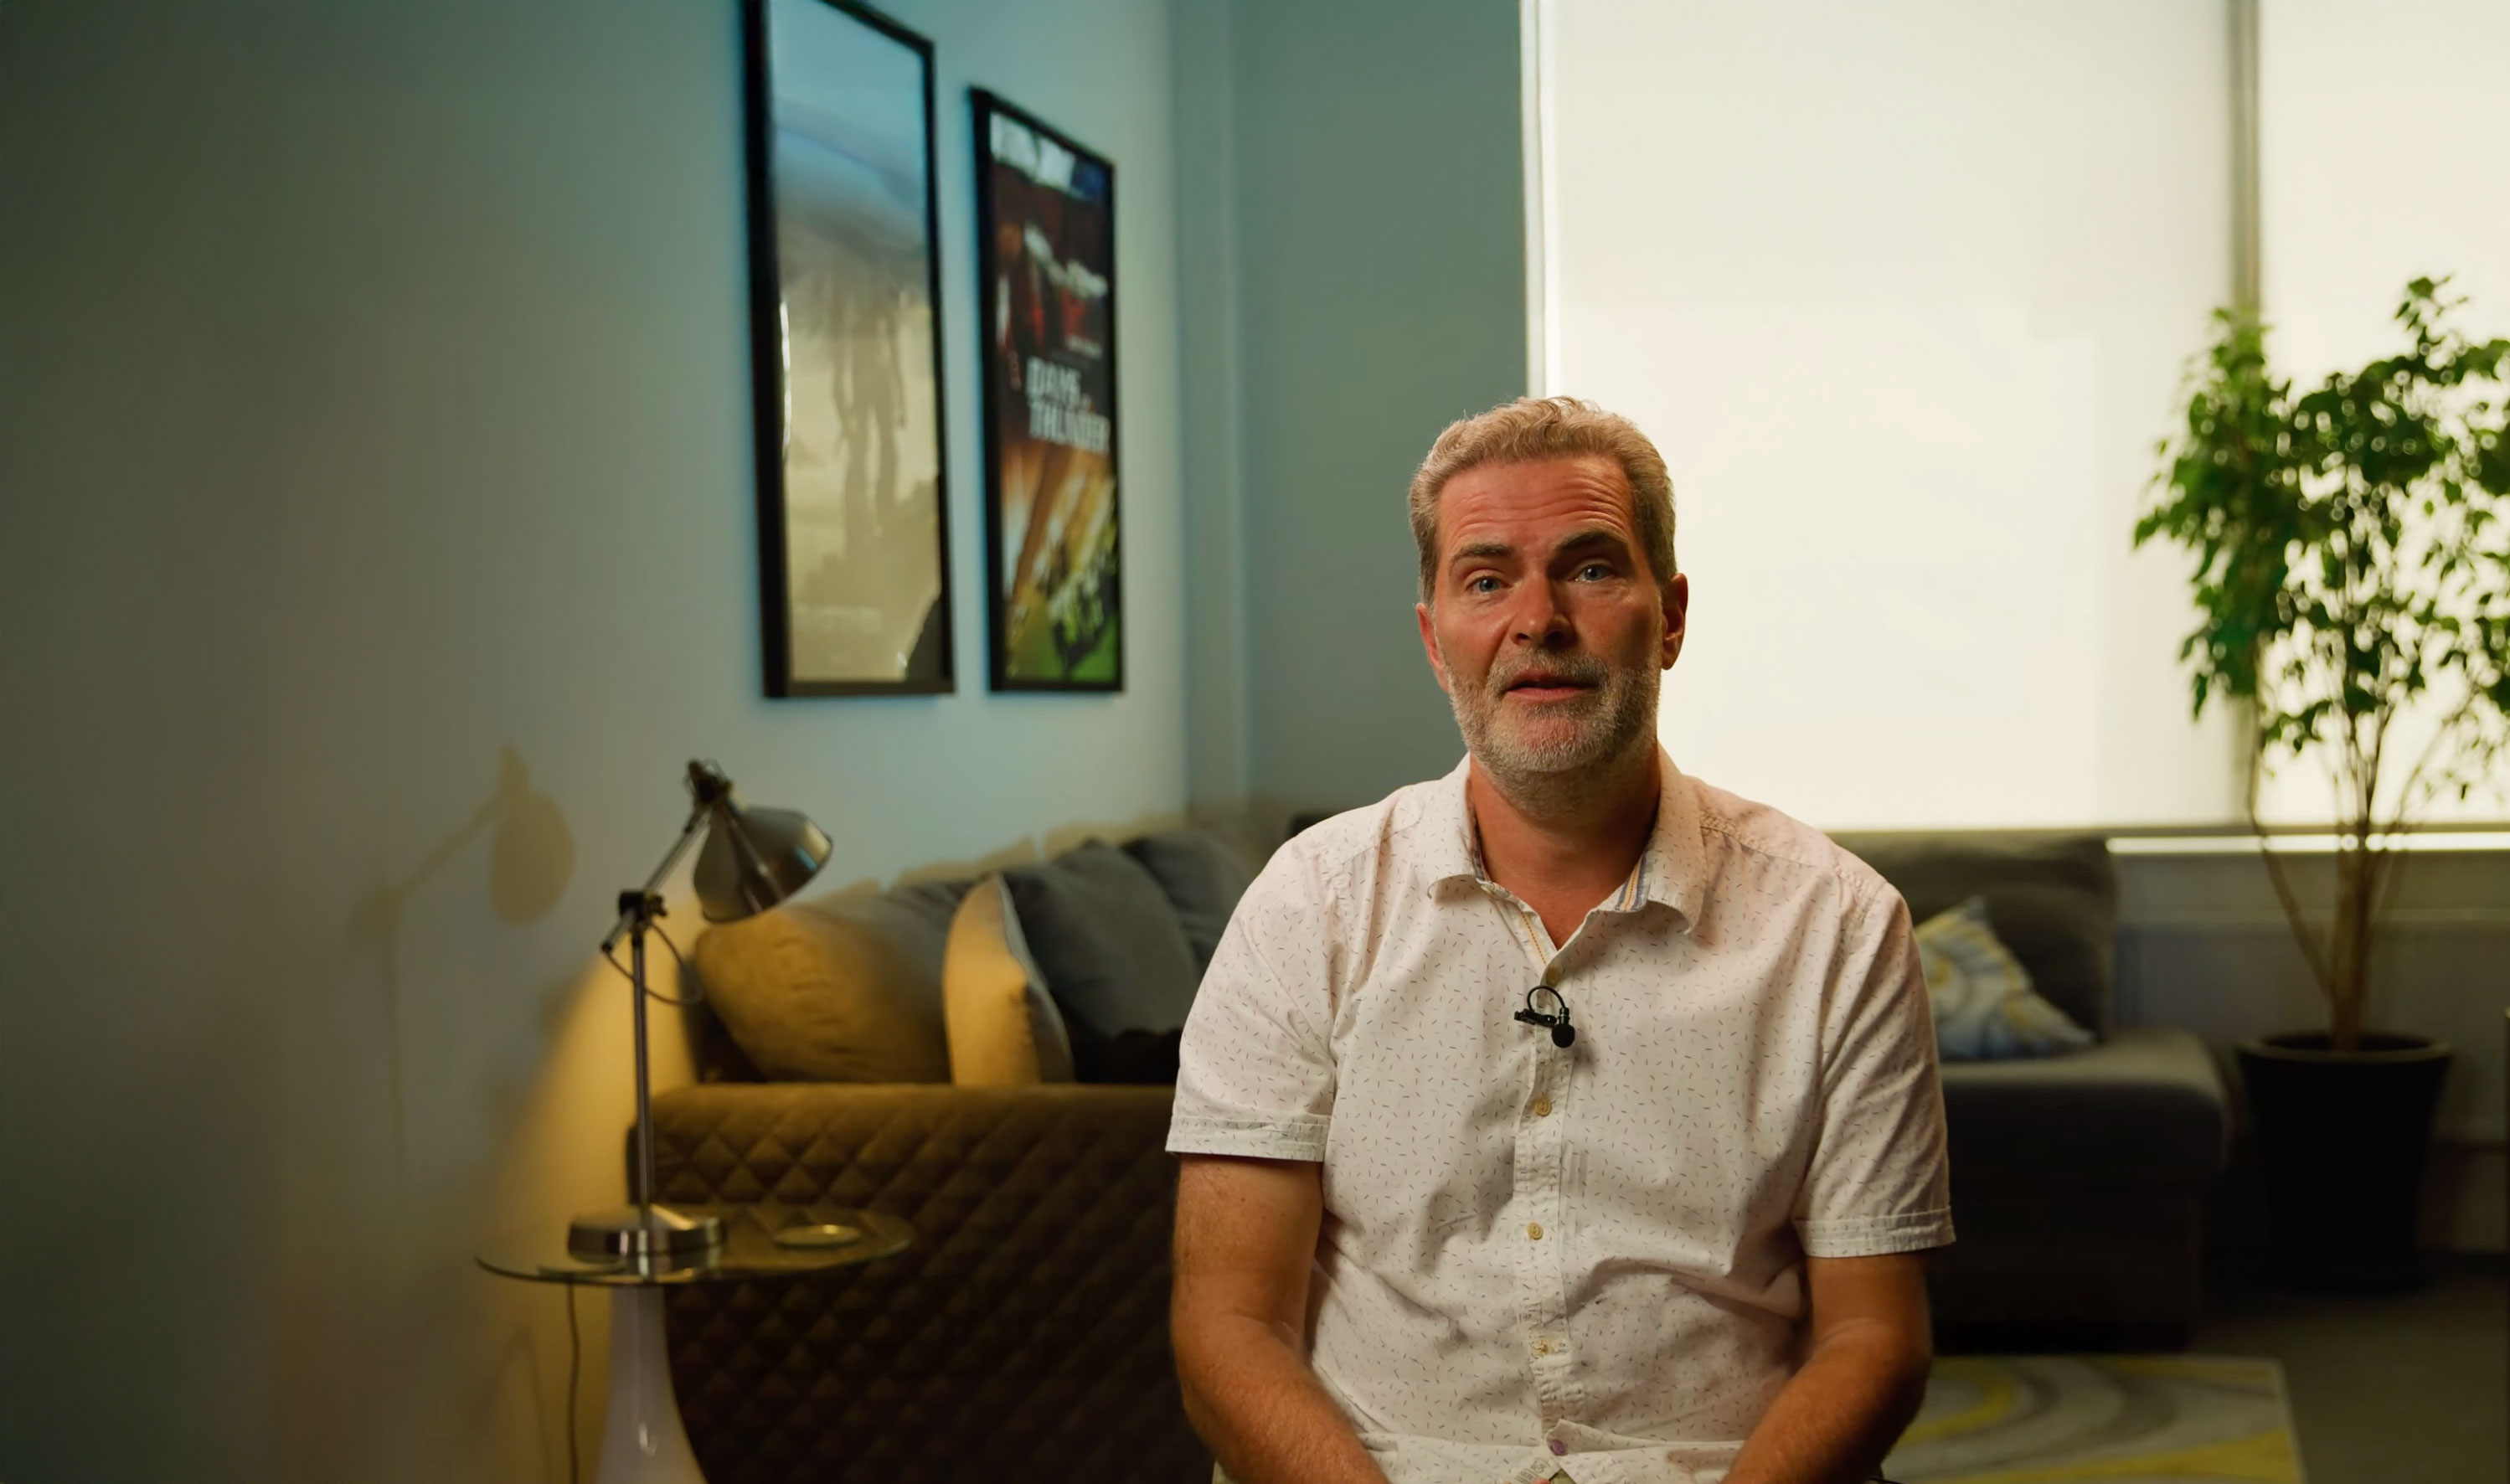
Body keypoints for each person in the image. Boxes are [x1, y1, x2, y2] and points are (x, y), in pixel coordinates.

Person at [1166, 397, 1953, 1484]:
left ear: (1669, 617)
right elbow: (1226, 1328)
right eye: (1485, 580)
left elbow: (1874, 1341)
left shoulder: (1838, 926)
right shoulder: (1307, 910)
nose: (1536, 618)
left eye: (1588, 569)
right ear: (1434, 637)